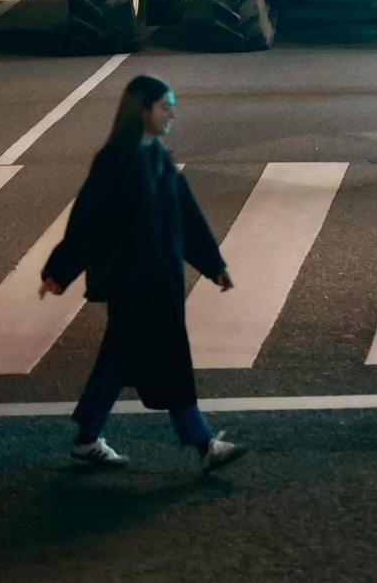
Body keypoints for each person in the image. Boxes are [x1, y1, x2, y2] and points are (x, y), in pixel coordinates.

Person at [40, 77, 245, 474]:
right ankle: (203, 443)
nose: (172, 113)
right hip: (134, 283)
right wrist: (60, 270)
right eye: (165, 106)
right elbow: (88, 221)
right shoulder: (116, 161)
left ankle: (86, 438)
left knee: (117, 363)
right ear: (143, 111)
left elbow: (185, 213)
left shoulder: (157, 156)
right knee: (170, 360)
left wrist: (211, 263)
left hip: (159, 278)